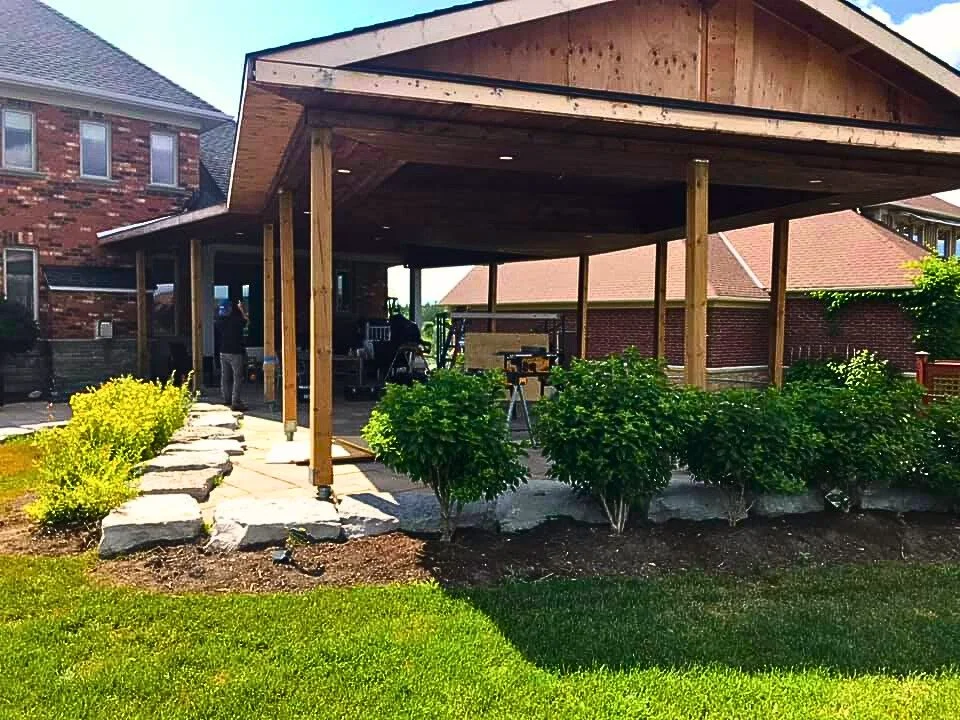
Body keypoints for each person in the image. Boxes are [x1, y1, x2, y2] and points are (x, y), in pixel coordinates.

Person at [216, 299, 248, 411]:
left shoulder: (219, 321)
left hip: (223, 352)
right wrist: (241, 309)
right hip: (235, 352)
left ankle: (226, 399)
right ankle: (236, 402)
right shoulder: (235, 320)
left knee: (225, 377)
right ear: (230, 309)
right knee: (237, 377)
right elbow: (246, 320)